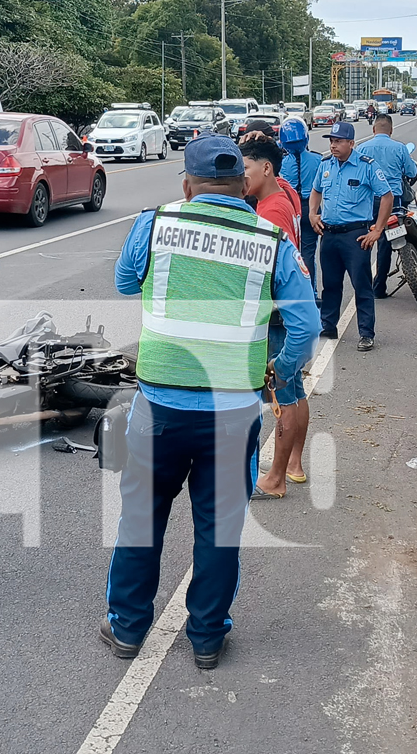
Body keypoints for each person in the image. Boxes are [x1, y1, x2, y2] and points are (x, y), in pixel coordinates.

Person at [105, 133, 318, 669]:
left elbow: (127, 282)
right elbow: (306, 324)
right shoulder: (270, 238)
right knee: (220, 528)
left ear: (187, 183)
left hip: (158, 408)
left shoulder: (156, 223)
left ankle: (128, 628)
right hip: (232, 411)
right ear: (243, 184)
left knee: (140, 518)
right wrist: (280, 370)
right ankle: (206, 638)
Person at [241, 135, 313, 500]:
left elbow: (272, 270)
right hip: (288, 310)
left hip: (279, 314)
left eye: (247, 169)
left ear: (266, 169)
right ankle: (292, 466)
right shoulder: (282, 193)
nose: (241, 177)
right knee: (294, 393)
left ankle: (276, 477)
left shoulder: (270, 211)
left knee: (280, 395)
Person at [309, 121, 392, 352]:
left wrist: (377, 230)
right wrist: (312, 214)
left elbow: (387, 196)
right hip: (329, 234)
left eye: (338, 141)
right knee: (331, 284)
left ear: (351, 143)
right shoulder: (326, 164)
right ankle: (328, 325)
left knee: (362, 285)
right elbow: (316, 190)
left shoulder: (366, 166)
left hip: (356, 236)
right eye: (331, 141)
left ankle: (366, 333)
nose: (333, 145)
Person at [354, 113, 417, 297]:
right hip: (393, 202)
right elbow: (412, 171)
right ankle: (379, 287)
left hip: (368, 202)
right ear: (391, 130)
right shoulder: (399, 148)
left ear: (374, 129)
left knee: (365, 241)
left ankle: (363, 286)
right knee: (386, 243)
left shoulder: (362, 148)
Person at [277, 118, 322, 279]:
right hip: (312, 208)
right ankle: (310, 289)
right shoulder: (317, 160)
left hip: (290, 209)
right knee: (308, 252)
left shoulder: (280, 163)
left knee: (289, 250)